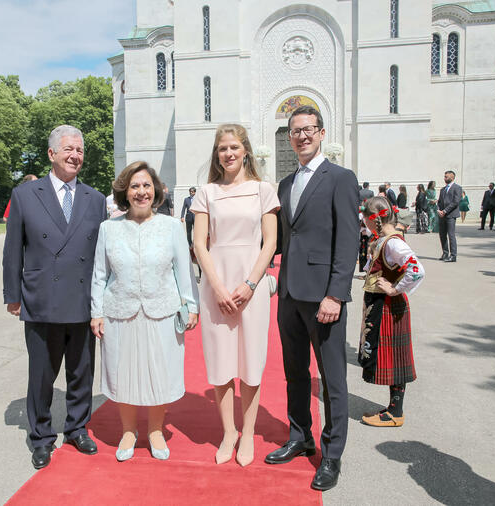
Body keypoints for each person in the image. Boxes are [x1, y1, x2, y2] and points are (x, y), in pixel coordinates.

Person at [2, 125, 106, 469]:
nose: (75, 155)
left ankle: (77, 428)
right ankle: (41, 437)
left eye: (79, 150)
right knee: (42, 376)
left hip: (81, 300)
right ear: (51, 154)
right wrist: (12, 293)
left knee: (81, 373)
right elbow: (13, 248)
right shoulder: (25, 194)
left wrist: (102, 302)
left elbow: (100, 255)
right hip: (41, 299)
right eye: (68, 150)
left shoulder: (95, 198)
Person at [266, 105, 358, 491]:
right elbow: (282, 239)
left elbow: (348, 240)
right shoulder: (284, 184)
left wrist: (336, 294)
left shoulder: (339, 178)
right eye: (295, 131)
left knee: (333, 378)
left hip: (323, 298)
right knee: (295, 373)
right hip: (289, 293)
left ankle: (332, 454)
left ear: (321, 133)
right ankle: (299, 435)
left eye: (308, 129)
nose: (301, 136)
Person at [90, 162, 199, 462]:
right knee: (124, 372)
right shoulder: (108, 228)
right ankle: (128, 430)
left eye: (147, 185)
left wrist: (191, 306)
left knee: (158, 372)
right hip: (120, 310)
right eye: (135, 186)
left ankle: (154, 430)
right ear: (125, 191)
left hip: (161, 310)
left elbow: (183, 270)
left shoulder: (171, 227)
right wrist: (96, 311)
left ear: (156, 190)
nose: (141, 192)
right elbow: (100, 274)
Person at [190, 123, 280, 468]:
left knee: (250, 362)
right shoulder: (206, 193)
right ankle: (228, 431)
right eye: (222, 149)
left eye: (233, 147)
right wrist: (217, 287)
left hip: (251, 285)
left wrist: (251, 284)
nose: (228, 154)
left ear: (245, 151)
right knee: (221, 361)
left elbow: (270, 242)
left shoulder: (262, 190)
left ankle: (248, 431)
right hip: (216, 285)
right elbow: (200, 243)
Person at [358, 197, 424, 427]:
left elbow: (416, 270)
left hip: (389, 307)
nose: (363, 222)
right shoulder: (383, 240)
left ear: (374, 219)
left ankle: (396, 413)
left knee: (394, 359)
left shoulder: (394, 243)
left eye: (365, 218)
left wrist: (395, 289)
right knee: (391, 358)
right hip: (382, 305)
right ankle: (394, 408)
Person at [437, 171, 461, 262]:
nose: (445, 178)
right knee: (442, 235)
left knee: (451, 235)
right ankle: (445, 253)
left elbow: (456, 202)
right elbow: (439, 202)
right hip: (442, 215)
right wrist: (439, 210)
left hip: (451, 215)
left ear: (452, 177)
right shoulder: (443, 189)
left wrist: (445, 211)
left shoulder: (457, 188)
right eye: (444, 176)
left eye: (446, 177)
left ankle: (453, 255)